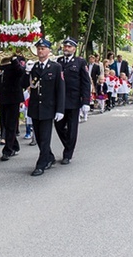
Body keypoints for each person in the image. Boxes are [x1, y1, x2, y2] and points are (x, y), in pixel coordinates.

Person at [21, 38, 64, 176]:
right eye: (39, 48)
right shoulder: (33, 67)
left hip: (48, 107)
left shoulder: (56, 67)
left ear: (49, 51)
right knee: (39, 137)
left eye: (43, 48)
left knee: (45, 137)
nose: (40, 51)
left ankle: (41, 164)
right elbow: (24, 85)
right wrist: (26, 72)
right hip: (35, 107)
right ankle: (49, 157)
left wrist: (60, 109)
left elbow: (60, 89)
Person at [54, 37, 91, 165]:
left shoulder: (80, 62)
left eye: (69, 47)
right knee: (58, 126)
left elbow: (86, 82)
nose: (66, 49)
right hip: (60, 101)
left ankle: (67, 154)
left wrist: (86, 101)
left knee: (72, 128)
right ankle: (68, 145)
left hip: (74, 100)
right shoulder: (59, 62)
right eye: (65, 46)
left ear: (74, 49)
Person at [0, 52, 26, 161]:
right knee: (4, 123)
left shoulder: (19, 60)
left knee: (11, 124)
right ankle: (15, 145)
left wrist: (14, 59)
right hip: (4, 96)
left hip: (14, 97)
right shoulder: (2, 61)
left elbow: (20, 72)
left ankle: (7, 150)